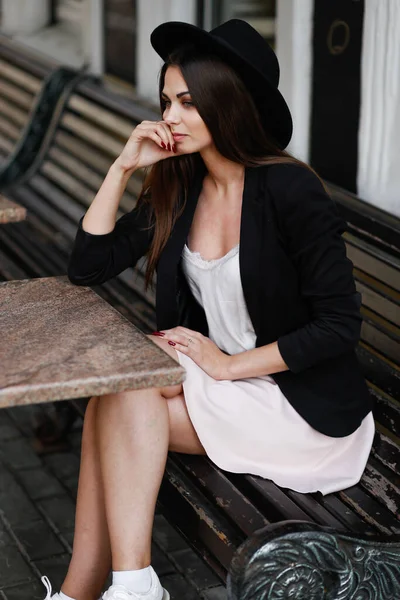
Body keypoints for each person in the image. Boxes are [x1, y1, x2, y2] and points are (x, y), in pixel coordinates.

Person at [41, 19, 375, 600]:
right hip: (231, 383)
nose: (169, 117)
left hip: (300, 404)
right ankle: (104, 588)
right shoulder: (181, 184)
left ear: (230, 105)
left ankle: (114, 587)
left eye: (188, 103)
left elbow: (339, 326)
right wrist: (123, 167)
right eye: (168, 100)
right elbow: (87, 266)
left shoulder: (290, 191)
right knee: (121, 388)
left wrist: (222, 366)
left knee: (119, 400)